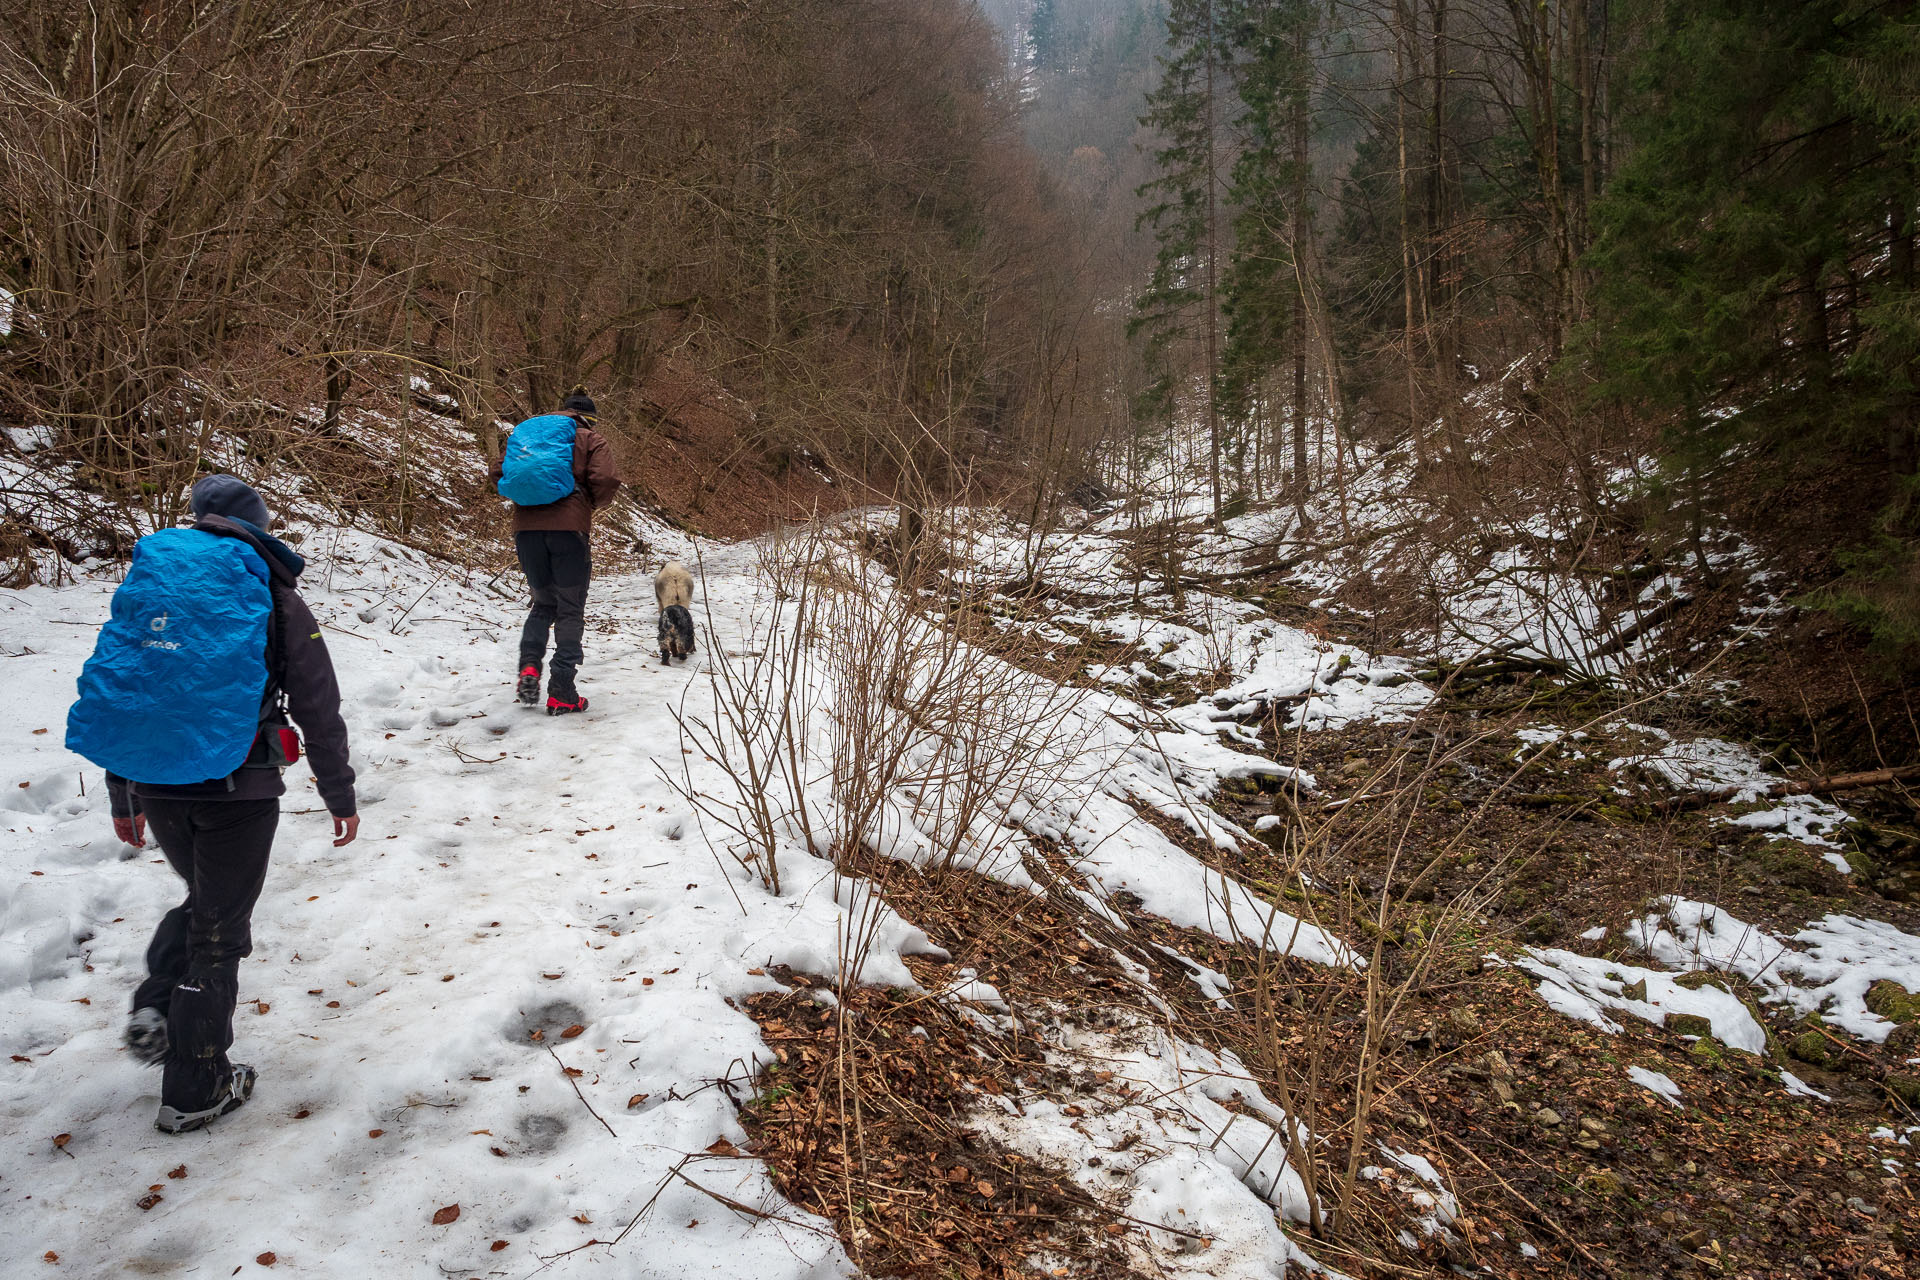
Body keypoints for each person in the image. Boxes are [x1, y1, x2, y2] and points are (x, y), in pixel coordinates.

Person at [73, 475, 358, 1134]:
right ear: (258, 526)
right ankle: (196, 1084)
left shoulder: (155, 586)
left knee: (208, 902)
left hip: (158, 785)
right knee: (220, 933)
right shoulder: (270, 591)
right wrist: (338, 791)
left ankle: (156, 1006)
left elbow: (128, 688)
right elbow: (317, 701)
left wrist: (124, 790)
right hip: (239, 789)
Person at [487, 387, 621, 714]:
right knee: (570, 607)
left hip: (526, 531)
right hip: (569, 531)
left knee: (543, 603)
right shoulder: (590, 439)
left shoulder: (531, 434)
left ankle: (529, 667)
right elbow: (605, 478)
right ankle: (562, 689)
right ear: (589, 419)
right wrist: (588, 503)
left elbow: (496, 471)